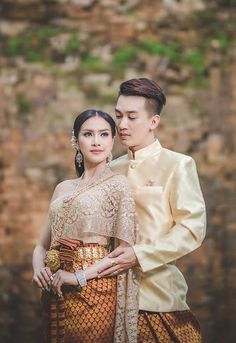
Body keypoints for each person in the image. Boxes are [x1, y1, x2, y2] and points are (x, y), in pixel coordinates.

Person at [98, 78, 206, 342]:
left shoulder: (178, 165)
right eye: (119, 115)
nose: (122, 125)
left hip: (159, 299)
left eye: (132, 117)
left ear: (153, 122)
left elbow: (192, 229)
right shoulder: (109, 169)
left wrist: (139, 254)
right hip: (105, 301)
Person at [32, 109, 139, 343]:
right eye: (88, 134)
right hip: (55, 287)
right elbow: (41, 245)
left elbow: (122, 253)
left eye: (103, 134)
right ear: (76, 141)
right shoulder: (63, 188)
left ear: (112, 140)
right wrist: (38, 269)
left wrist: (78, 276)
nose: (96, 142)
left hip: (95, 290)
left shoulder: (118, 185)